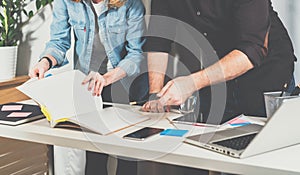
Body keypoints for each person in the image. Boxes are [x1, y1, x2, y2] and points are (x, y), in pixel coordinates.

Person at [29, 0, 145, 174]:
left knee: (126, 157)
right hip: (89, 89)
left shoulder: (132, 4)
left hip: (124, 87)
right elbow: (58, 42)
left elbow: (135, 54)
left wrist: (106, 78)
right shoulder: (66, 2)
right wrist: (44, 62)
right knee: (94, 158)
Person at [142, 0, 296, 124]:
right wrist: (155, 94)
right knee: (213, 150)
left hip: (267, 76)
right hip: (218, 76)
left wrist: (191, 83)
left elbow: (252, 50)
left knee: (262, 153)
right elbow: (158, 42)